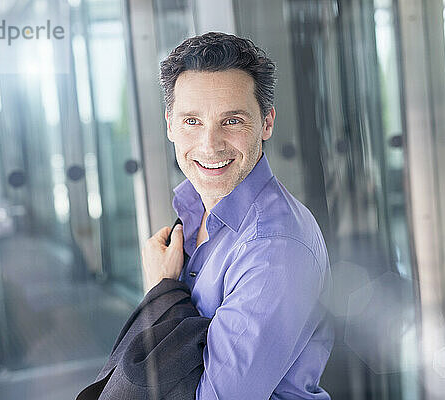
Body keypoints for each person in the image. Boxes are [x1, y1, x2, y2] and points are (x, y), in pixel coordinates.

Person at [141, 32, 334, 399]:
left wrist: (161, 295)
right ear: (169, 124)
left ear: (266, 123)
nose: (210, 145)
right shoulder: (194, 212)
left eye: (231, 121)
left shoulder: (273, 246)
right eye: (192, 121)